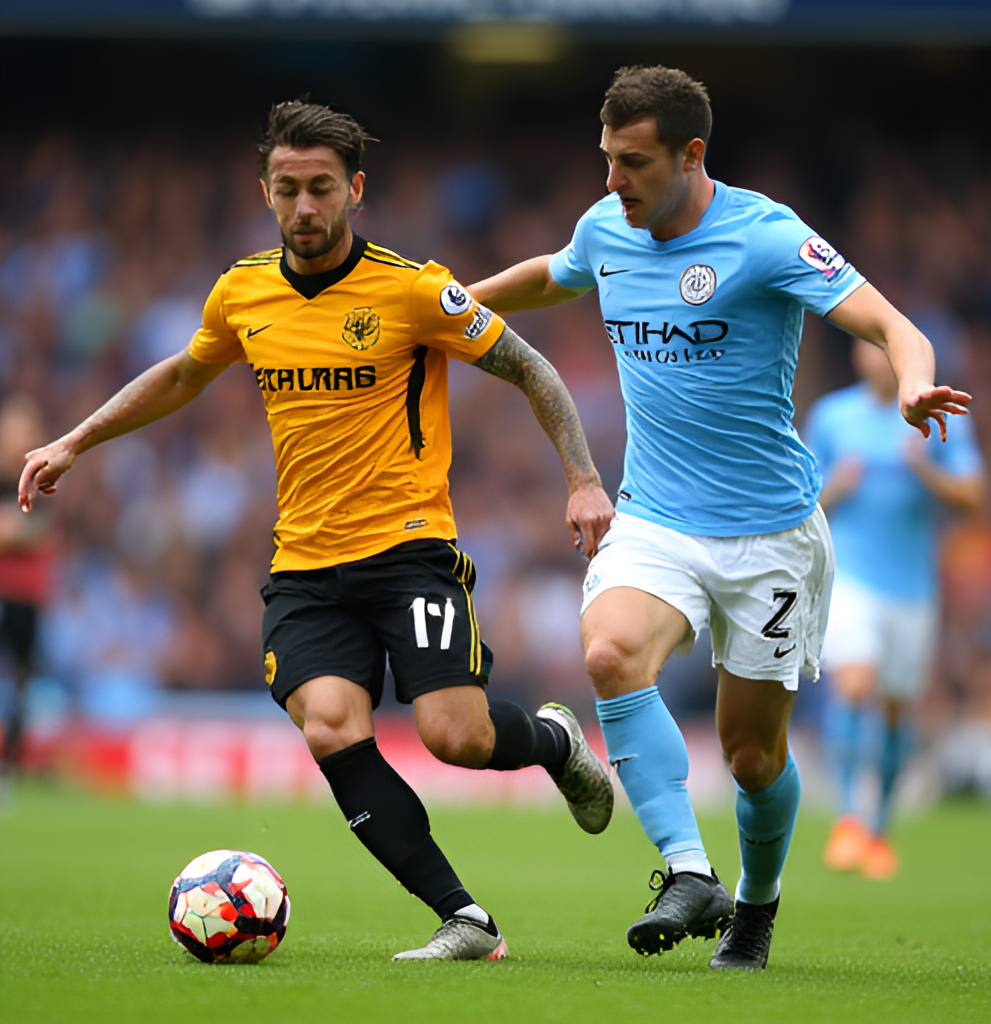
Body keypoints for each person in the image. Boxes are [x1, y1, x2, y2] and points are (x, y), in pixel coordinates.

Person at [19, 100, 616, 961]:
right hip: (303, 566)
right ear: (266, 191)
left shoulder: (414, 288)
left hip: (410, 552)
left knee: (458, 736)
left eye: (322, 188)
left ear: (355, 190)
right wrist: (76, 438)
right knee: (333, 727)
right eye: (289, 188)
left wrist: (583, 478)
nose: (306, 206)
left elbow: (531, 368)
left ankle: (556, 743)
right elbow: (187, 372)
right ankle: (465, 920)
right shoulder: (243, 291)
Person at [468, 65, 971, 970]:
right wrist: (452, 305)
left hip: (772, 534)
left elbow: (895, 326)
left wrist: (912, 382)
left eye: (632, 163)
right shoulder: (605, 226)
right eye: (606, 159)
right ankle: (688, 868)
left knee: (751, 759)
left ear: (691, 155)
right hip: (655, 518)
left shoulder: (765, 235)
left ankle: (756, 905)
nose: (612, 182)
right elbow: (556, 274)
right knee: (610, 652)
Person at [807, 337, 983, 880]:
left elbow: (973, 497)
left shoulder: (935, 414)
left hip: (912, 589)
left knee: (895, 710)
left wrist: (924, 472)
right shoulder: (833, 417)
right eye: (871, 347)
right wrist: (838, 485)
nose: (879, 358)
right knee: (854, 685)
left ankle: (879, 828)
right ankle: (847, 820)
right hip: (852, 578)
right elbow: (802, 498)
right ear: (859, 357)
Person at [0, 395, 53, 797]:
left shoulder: (43, 479)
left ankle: (11, 769)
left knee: (20, 682)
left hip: (26, 598)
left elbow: (30, 533)